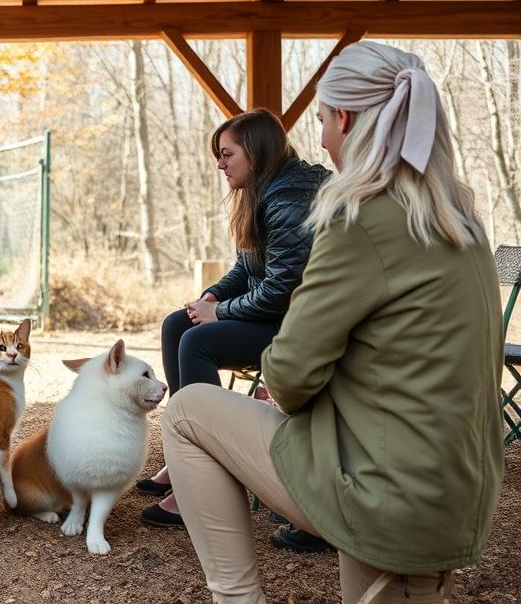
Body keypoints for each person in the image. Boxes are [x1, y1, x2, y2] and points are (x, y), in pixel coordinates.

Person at [161, 41, 504, 603]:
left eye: (321, 120)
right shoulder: (461, 219)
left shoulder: (358, 218)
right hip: (455, 492)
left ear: (345, 119)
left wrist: (279, 366)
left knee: (185, 412)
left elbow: (291, 377)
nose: (319, 138)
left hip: (381, 491)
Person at [140, 109, 328, 529]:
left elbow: (282, 291)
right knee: (177, 324)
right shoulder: (263, 192)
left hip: (299, 326)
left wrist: (219, 313)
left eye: (227, 154)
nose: (219, 164)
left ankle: (207, 478)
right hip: (277, 316)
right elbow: (247, 269)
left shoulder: (288, 200)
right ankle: (187, 457)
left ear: (256, 154)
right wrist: (214, 295)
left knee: (197, 341)